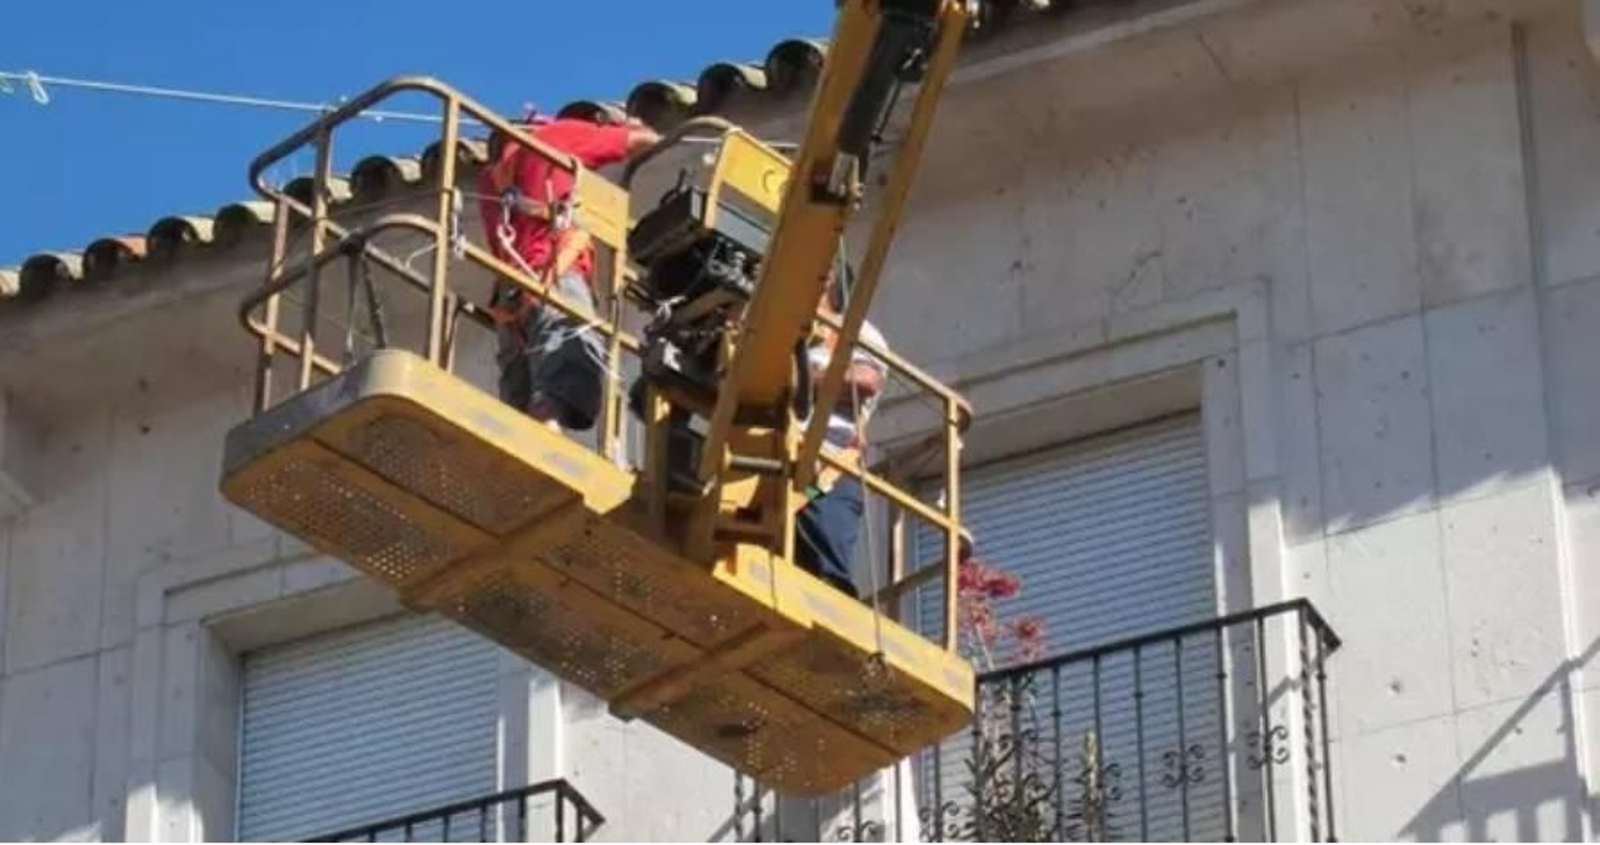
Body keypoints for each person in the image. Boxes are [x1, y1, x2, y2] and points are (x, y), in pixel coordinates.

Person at [479, 112, 659, 431]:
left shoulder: (491, 177)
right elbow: (647, 142)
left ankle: (526, 464)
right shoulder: (556, 136)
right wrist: (626, 123)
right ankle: (545, 441)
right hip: (554, 276)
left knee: (520, 406)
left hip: (511, 302)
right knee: (568, 365)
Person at [794, 268, 890, 598]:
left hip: (826, 472)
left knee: (823, 563)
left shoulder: (851, 329)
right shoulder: (784, 333)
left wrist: (800, 379)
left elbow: (864, 381)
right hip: (774, 462)